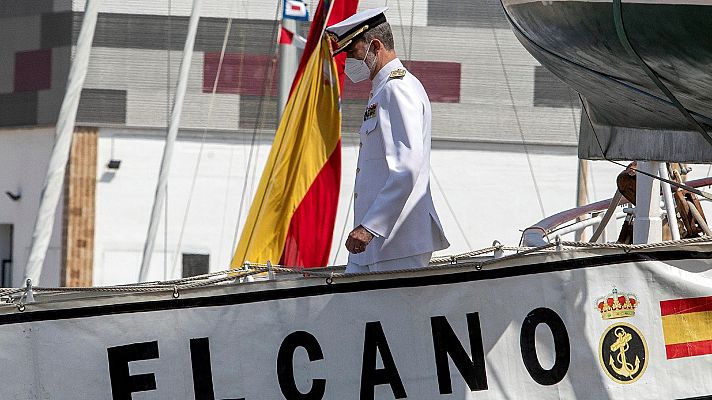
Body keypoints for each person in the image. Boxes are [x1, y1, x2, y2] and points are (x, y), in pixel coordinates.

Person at [326, 7, 449, 273]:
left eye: (353, 52)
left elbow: (407, 167)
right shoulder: (382, 90)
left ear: (376, 45)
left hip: (397, 242)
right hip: (375, 246)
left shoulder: (398, 88)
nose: (349, 61)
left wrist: (371, 226)